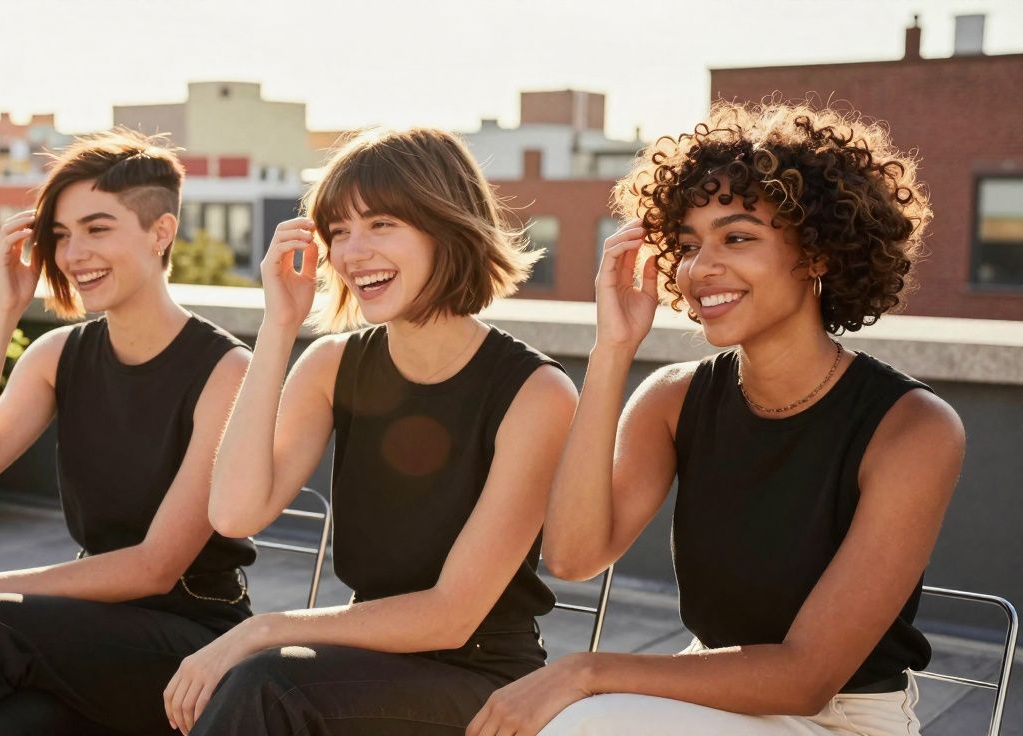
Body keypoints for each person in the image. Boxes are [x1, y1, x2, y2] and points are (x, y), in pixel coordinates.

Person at [467, 101, 964, 736]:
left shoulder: (912, 429)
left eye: (737, 237)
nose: (701, 269)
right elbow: (571, 555)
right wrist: (613, 350)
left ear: (817, 253)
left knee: (574, 720)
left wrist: (584, 671)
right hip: (702, 702)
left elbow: (806, 676)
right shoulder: (674, 399)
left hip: (840, 721)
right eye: (687, 245)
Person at [161, 127, 579, 734]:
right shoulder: (333, 366)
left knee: (264, 683)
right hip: (360, 662)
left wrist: (264, 628)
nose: (353, 252)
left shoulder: (535, 393)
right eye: (339, 231)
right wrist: (279, 324)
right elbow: (233, 513)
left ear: (446, 224)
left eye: (382, 224)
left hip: (481, 683)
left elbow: (451, 616)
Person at [0, 129, 255, 735]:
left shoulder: (227, 371)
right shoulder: (59, 355)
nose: (73, 253)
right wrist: (2, 309)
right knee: (4, 728)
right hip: (88, 629)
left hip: (194, 644)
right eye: (60, 234)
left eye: (97, 228)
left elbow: (155, 567)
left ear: (161, 233)